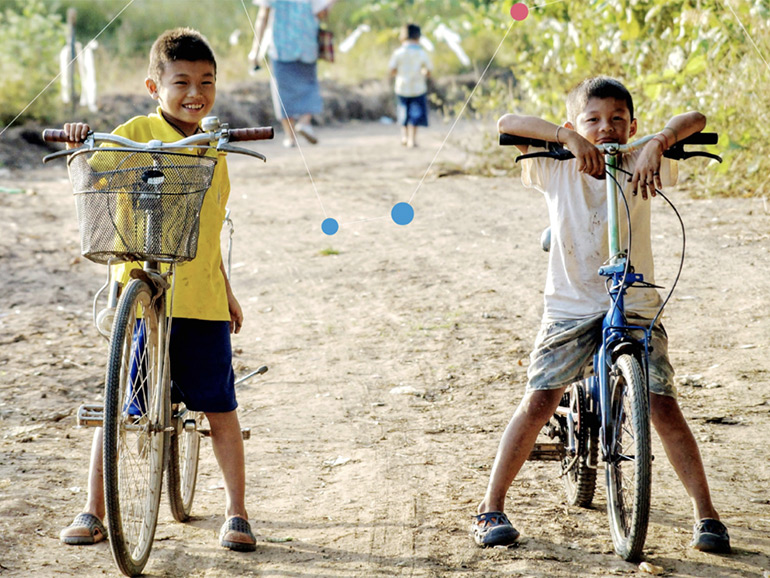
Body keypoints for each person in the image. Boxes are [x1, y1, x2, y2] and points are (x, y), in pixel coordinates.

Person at [472, 76, 730, 554]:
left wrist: (659, 142)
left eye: (617, 120)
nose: (605, 128)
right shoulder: (557, 166)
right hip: (570, 305)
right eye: (592, 121)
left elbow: (696, 119)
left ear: (632, 125)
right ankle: (490, 506)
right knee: (540, 400)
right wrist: (566, 140)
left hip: (634, 304)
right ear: (574, 125)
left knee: (662, 404)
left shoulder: (641, 161)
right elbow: (508, 122)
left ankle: (707, 515)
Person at [58, 28, 256, 552]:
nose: (197, 92)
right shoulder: (135, 130)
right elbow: (94, 175)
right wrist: (82, 143)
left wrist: (228, 290)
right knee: (121, 403)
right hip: (143, 299)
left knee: (219, 406)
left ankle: (237, 510)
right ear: (154, 85)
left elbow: (207, 229)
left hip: (201, 299)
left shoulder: (213, 145)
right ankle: (94, 509)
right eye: (182, 81)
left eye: (207, 81)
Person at [249, 0, 336, 148]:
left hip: (280, 46)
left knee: (283, 90)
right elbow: (321, 13)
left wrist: (255, 50)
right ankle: (304, 123)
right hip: (307, 44)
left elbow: (263, 16)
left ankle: (290, 137)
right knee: (309, 86)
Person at [388, 23, 432, 148]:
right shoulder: (421, 53)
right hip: (418, 87)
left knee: (403, 112)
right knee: (415, 114)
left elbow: (392, 69)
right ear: (418, 37)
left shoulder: (398, 52)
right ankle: (412, 139)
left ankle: (404, 137)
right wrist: (423, 73)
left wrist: (398, 74)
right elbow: (428, 69)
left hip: (402, 87)